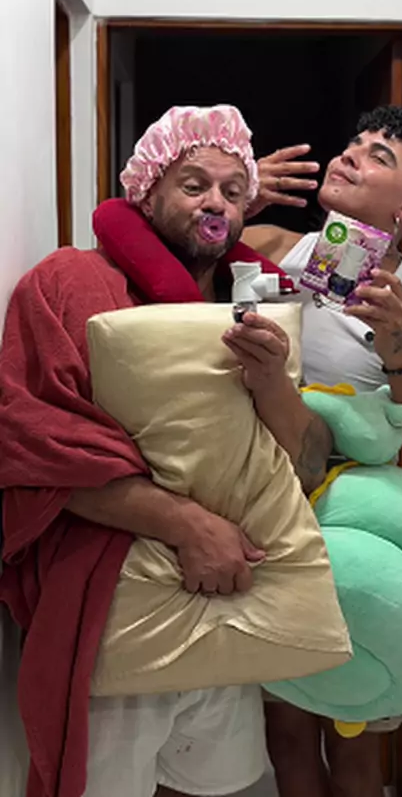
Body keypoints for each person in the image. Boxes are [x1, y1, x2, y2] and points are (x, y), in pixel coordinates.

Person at [0, 105, 332, 797]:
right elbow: (31, 447)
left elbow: (305, 464)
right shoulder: (67, 283)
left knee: (216, 786)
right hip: (116, 609)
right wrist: (189, 526)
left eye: (233, 191)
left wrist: (273, 383)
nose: (215, 204)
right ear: (146, 191)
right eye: (193, 185)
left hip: (235, 603)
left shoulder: (258, 310)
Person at [243, 104, 402, 797]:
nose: (351, 154)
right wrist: (239, 199)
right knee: (285, 733)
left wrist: (397, 348)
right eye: (356, 142)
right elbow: (156, 264)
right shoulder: (269, 243)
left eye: (379, 156)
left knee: (356, 744)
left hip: (357, 540)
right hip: (264, 523)